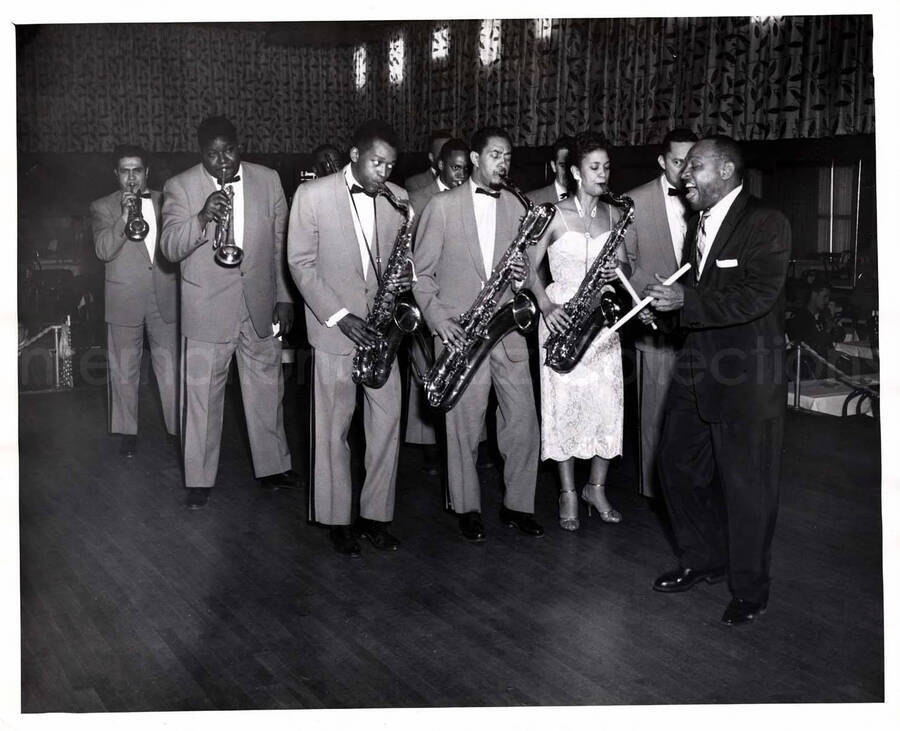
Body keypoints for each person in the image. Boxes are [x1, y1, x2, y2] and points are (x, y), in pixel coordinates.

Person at [644, 135, 791, 626]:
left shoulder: (766, 221)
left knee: (748, 488)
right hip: (696, 368)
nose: (685, 175)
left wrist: (687, 302)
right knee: (674, 465)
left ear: (727, 170)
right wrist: (661, 310)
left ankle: (751, 588)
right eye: (684, 167)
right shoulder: (699, 222)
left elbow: (757, 296)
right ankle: (702, 556)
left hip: (747, 378)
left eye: (696, 166)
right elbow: (696, 293)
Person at [160, 116, 297, 509]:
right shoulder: (180, 186)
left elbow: (282, 244)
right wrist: (202, 217)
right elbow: (169, 248)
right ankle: (199, 480)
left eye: (229, 150)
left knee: (268, 390)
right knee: (201, 397)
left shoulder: (268, 179)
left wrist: (285, 296)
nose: (223, 160)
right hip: (206, 308)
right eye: (212, 154)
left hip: (259, 303)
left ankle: (273, 468)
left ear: (241, 145)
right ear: (201, 153)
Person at [288, 120, 412, 557]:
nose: (384, 172)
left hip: (381, 333)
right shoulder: (312, 195)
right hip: (335, 329)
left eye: (391, 164)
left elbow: (402, 263)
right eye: (377, 162)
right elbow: (300, 263)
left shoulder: (399, 199)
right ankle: (337, 518)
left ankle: (376, 517)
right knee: (333, 429)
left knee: (386, 426)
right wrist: (341, 316)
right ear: (354, 155)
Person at [413, 125, 542, 542]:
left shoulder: (518, 207)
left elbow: (523, 275)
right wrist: (440, 320)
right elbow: (421, 276)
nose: (503, 163)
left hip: (506, 330)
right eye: (495, 155)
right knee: (464, 428)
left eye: (507, 156)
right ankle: (467, 507)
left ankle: (518, 505)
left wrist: (522, 279)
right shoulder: (442, 205)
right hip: (460, 334)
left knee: (523, 423)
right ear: (474, 158)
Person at [528, 131, 628, 531]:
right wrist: (546, 305)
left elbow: (627, 267)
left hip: (601, 321)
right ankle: (568, 492)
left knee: (606, 405)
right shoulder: (552, 214)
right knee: (563, 406)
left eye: (606, 167)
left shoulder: (616, 214)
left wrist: (617, 273)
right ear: (574, 171)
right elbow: (527, 269)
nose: (603, 174)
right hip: (561, 317)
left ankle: (597, 487)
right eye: (594, 167)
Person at [622, 128, 698, 499]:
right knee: (653, 414)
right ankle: (654, 492)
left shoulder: (706, 197)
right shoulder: (633, 202)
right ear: (661, 161)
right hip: (655, 324)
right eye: (677, 161)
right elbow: (624, 267)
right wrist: (648, 301)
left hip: (698, 324)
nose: (685, 169)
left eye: (691, 160)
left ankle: (689, 485)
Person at [91, 144, 178, 458]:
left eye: (137, 170)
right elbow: (103, 250)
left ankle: (177, 431)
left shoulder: (166, 200)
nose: (131, 177)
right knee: (123, 371)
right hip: (124, 297)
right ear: (116, 174)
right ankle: (127, 433)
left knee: (170, 371)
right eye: (125, 171)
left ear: (147, 173)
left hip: (164, 296)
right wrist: (124, 216)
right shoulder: (102, 207)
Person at [405, 137, 470, 473]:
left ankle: (461, 452)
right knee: (427, 375)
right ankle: (430, 447)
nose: (461, 175)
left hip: (462, 303)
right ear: (439, 166)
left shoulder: (473, 198)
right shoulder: (417, 199)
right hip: (426, 300)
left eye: (466, 169)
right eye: (456, 168)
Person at [528, 136, 575, 205]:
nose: (569, 172)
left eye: (573, 166)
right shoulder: (532, 200)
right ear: (553, 166)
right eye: (563, 166)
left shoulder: (590, 200)